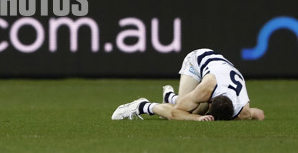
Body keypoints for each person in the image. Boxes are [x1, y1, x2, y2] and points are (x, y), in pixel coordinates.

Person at [111, 49, 265, 121]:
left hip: (219, 68)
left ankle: (171, 97)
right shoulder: (206, 89)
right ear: (210, 100)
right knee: (184, 112)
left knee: (192, 107)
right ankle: (142, 106)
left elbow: (259, 114)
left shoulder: (242, 111)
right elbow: (176, 113)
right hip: (196, 61)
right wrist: (197, 118)